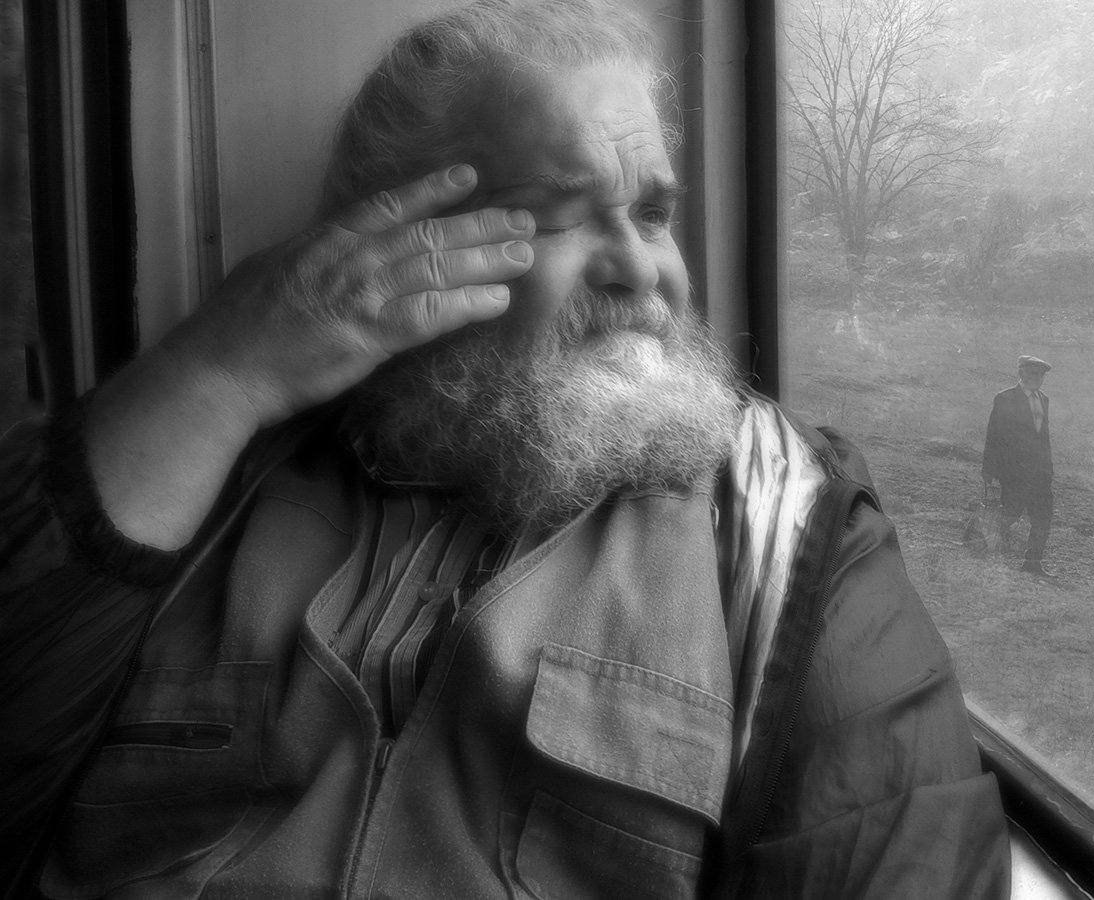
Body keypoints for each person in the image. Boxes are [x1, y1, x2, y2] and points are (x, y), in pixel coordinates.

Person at [0, 1, 1009, 896]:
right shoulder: (223, 478)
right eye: (562, 213)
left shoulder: (784, 531)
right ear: (400, 251)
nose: (642, 270)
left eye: (653, 213)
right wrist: (220, 368)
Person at [983, 355, 1056, 578]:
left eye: (1041, 375)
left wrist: (1048, 469)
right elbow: (994, 436)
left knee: (1043, 518)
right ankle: (982, 550)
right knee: (1010, 513)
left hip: (1040, 474)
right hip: (1015, 472)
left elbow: (1043, 438)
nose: (1038, 378)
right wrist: (988, 470)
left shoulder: (1044, 399)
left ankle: (1032, 563)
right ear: (1021, 373)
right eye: (1034, 373)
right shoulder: (1005, 398)